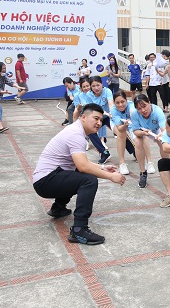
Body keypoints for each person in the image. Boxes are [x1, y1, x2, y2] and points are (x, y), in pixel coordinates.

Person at [33, 103, 125, 245]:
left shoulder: (75, 130)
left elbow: (81, 163)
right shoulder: (76, 135)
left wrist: (103, 167)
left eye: (101, 120)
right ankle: (79, 230)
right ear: (83, 117)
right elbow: (83, 167)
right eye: (95, 118)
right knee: (88, 180)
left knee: (75, 173)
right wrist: (111, 176)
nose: (99, 123)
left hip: (45, 179)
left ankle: (58, 209)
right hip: (46, 181)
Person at [131, 94, 168, 188]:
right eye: (139, 108)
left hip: (155, 129)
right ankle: (143, 172)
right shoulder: (135, 114)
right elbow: (135, 131)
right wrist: (143, 133)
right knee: (138, 143)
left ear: (149, 103)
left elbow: (164, 129)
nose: (143, 110)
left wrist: (160, 135)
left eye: (144, 106)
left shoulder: (157, 111)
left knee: (163, 142)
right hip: (142, 130)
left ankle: (168, 169)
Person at [111, 90, 137, 175]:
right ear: (114, 103)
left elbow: (132, 112)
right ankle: (122, 163)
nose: (120, 105)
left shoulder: (131, 105)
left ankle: (148, 162)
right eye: (117, 103)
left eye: (122, 102)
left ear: (126, 100)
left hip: (129, 123)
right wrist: (125, 125)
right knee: (121, 134)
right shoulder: (114, 110)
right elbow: (120, 128)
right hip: (117, 124)